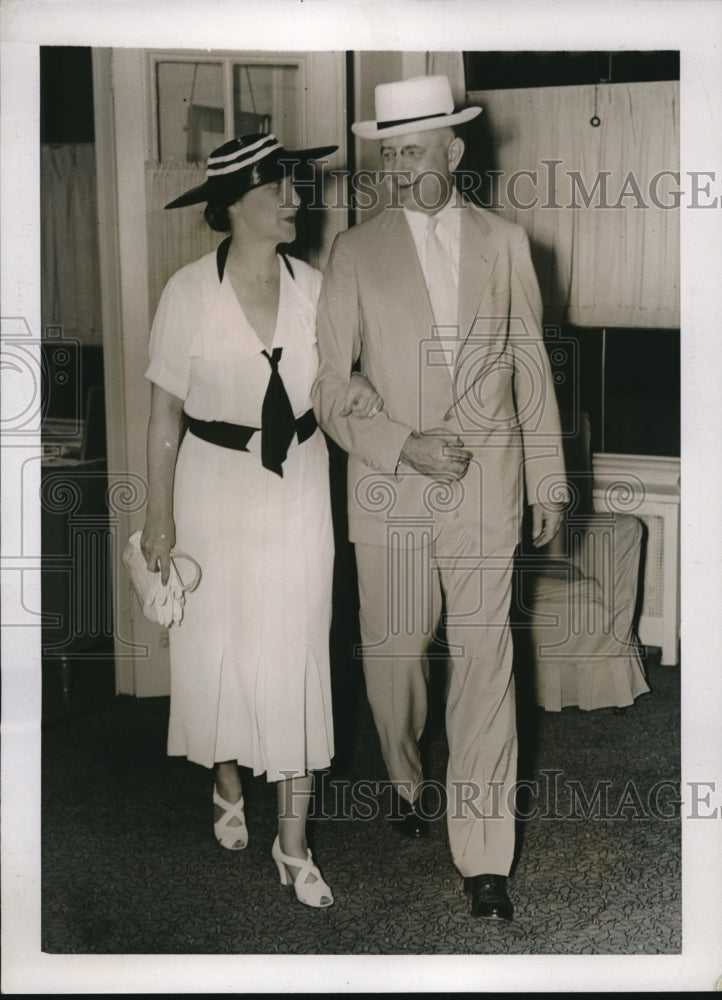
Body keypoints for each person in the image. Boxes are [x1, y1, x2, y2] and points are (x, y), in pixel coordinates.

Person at [311, 76, 567, 922]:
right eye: (387, 154)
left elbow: (531, 365)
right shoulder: (353, 252)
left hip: (488, 489)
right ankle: (405, 778)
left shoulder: (505, 243)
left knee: (487, 662)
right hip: (391, 486)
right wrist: (398, 443)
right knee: (395, 662)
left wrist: (547, 479)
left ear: (452, 153)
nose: (394, 167)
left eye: (410, 151)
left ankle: (484, 854)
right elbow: (329, 384)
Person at [140, 133, 383, 909]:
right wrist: (158, 519)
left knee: (298, 649)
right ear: (233, 205)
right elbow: (162, 421)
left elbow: (347, 391)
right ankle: (225, 779)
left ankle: (294, 841)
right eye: (277, 188)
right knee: (221, 643)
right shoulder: (185, 293)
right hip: (212, 489)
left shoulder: (317, 286)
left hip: (300, 484)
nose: (294, 199)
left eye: (295, 186)